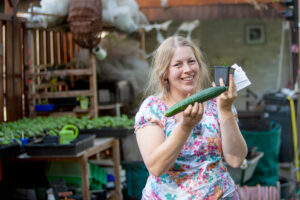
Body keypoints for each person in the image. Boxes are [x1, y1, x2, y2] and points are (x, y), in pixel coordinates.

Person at [134, 36, 248, 199]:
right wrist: (185, 127)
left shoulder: (218, 102)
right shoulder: (153, 108)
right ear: (165, 73)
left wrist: (226, 110)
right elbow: (156, 167)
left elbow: (236, 160)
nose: (187, 69)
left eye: (191, 62)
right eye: (177, 64)